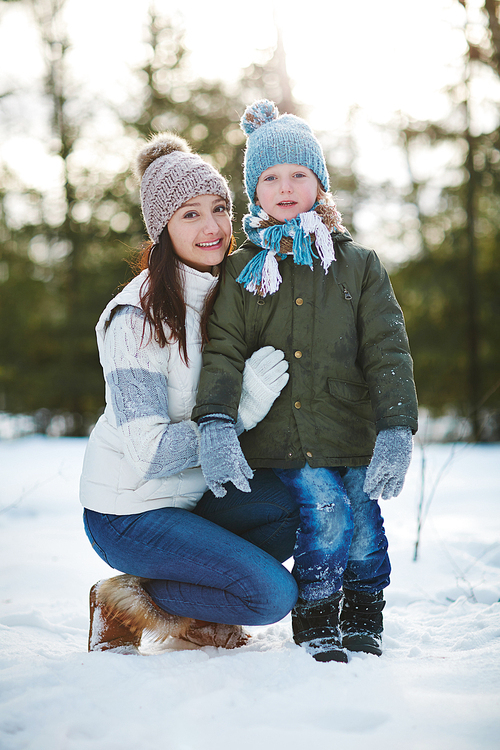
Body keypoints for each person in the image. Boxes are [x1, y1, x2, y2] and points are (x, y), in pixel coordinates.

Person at [192, 100, 418, 663]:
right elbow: (222, 351)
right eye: (270, 177)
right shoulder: (243, 270)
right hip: (286, 434)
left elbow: (388, 349)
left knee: (365, 525)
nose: (286, 187)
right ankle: (316, 616)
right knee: (325, 514)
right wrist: (217, 422)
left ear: (320, 184)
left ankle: (365, 612)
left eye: (298, 174)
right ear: (255, 190)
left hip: (352, 427)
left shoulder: (358, 264)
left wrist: (395, 428)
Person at [79, 132, 299, 654]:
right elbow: (150, 453)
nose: (213, 227)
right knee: (269, 595)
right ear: (162, 229)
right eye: (190, 214)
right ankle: (122, 600)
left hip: (194, 497)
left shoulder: (229, 292)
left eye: (219, 208)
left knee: (301, 501)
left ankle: (198, 602)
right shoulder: (136, 319)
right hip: (129, 513)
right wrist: (240, 411)